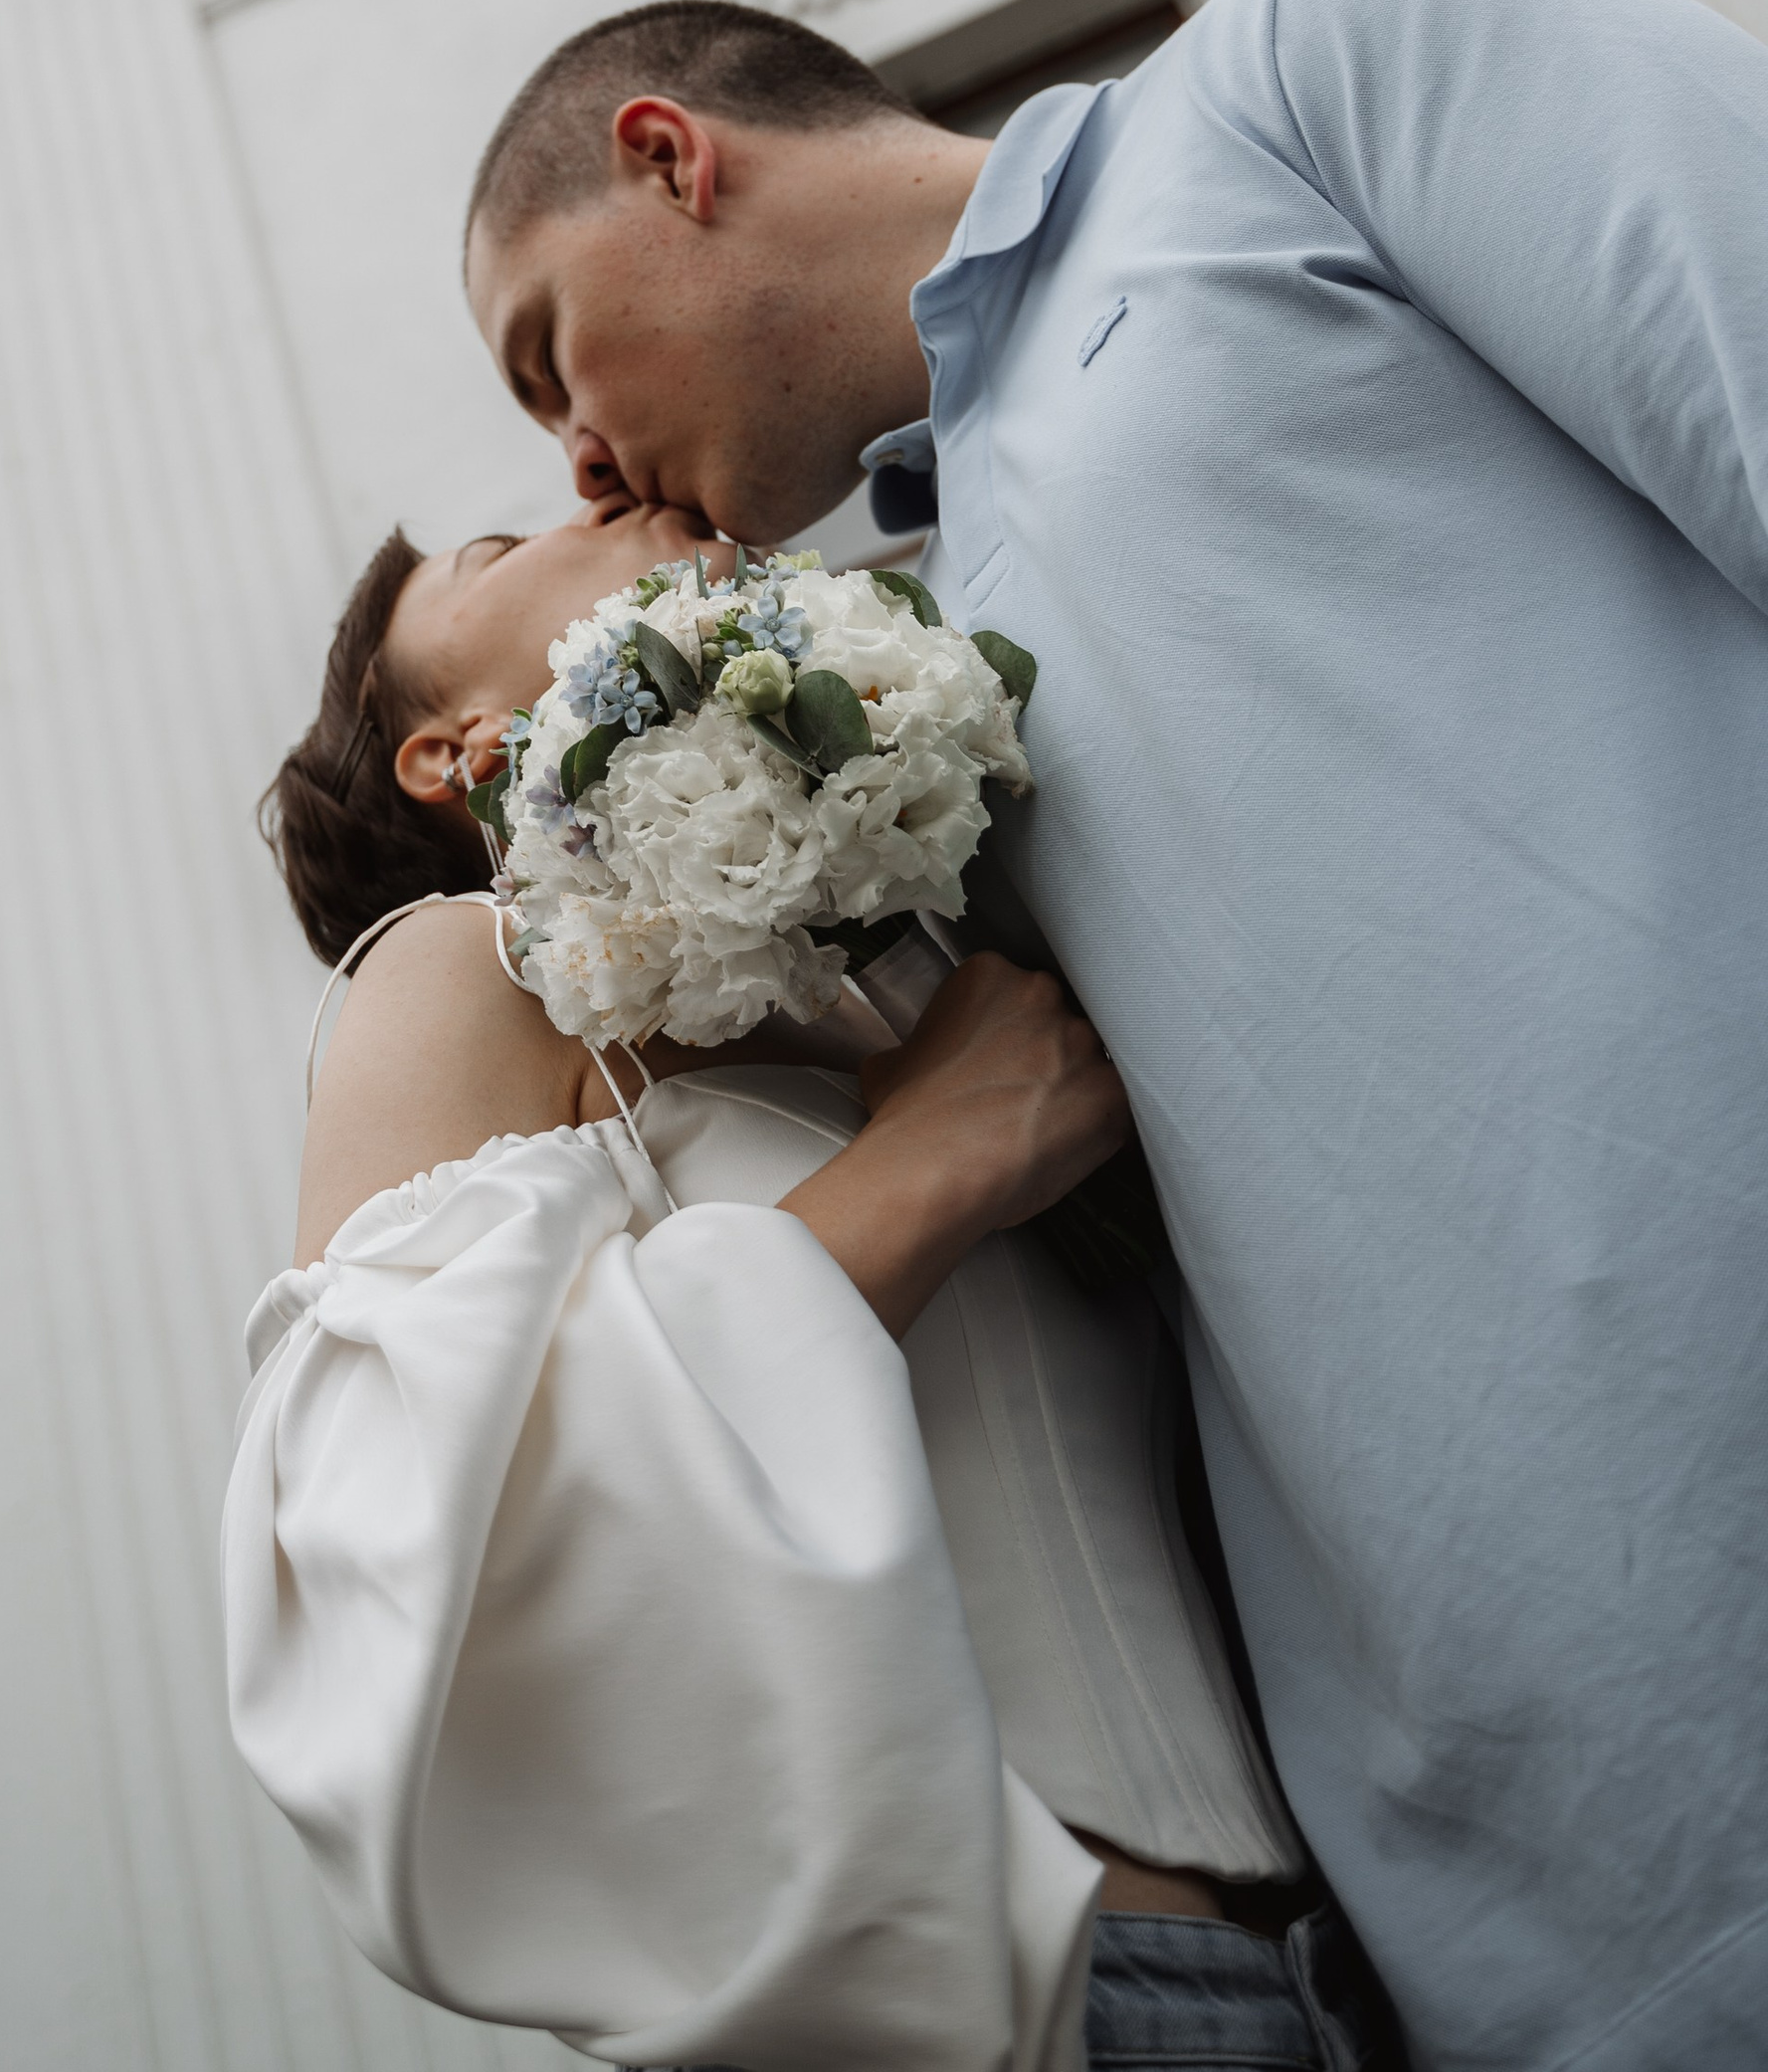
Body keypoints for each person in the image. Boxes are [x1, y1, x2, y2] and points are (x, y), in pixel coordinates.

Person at [458, 0, 1768, 2072]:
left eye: (544, 353)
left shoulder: (1297, 65)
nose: (570, 464)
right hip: (1531, 1934)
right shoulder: (894, 704)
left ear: (668, 158)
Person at [230, 504, 1398, 2072]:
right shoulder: (458, 966)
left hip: (1346, 1980)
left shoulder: (890, 968)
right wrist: (928, 1162)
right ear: (458, 749)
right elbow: (407, 1525)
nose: (587, 499)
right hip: (1028, 2003)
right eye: (496, 550)